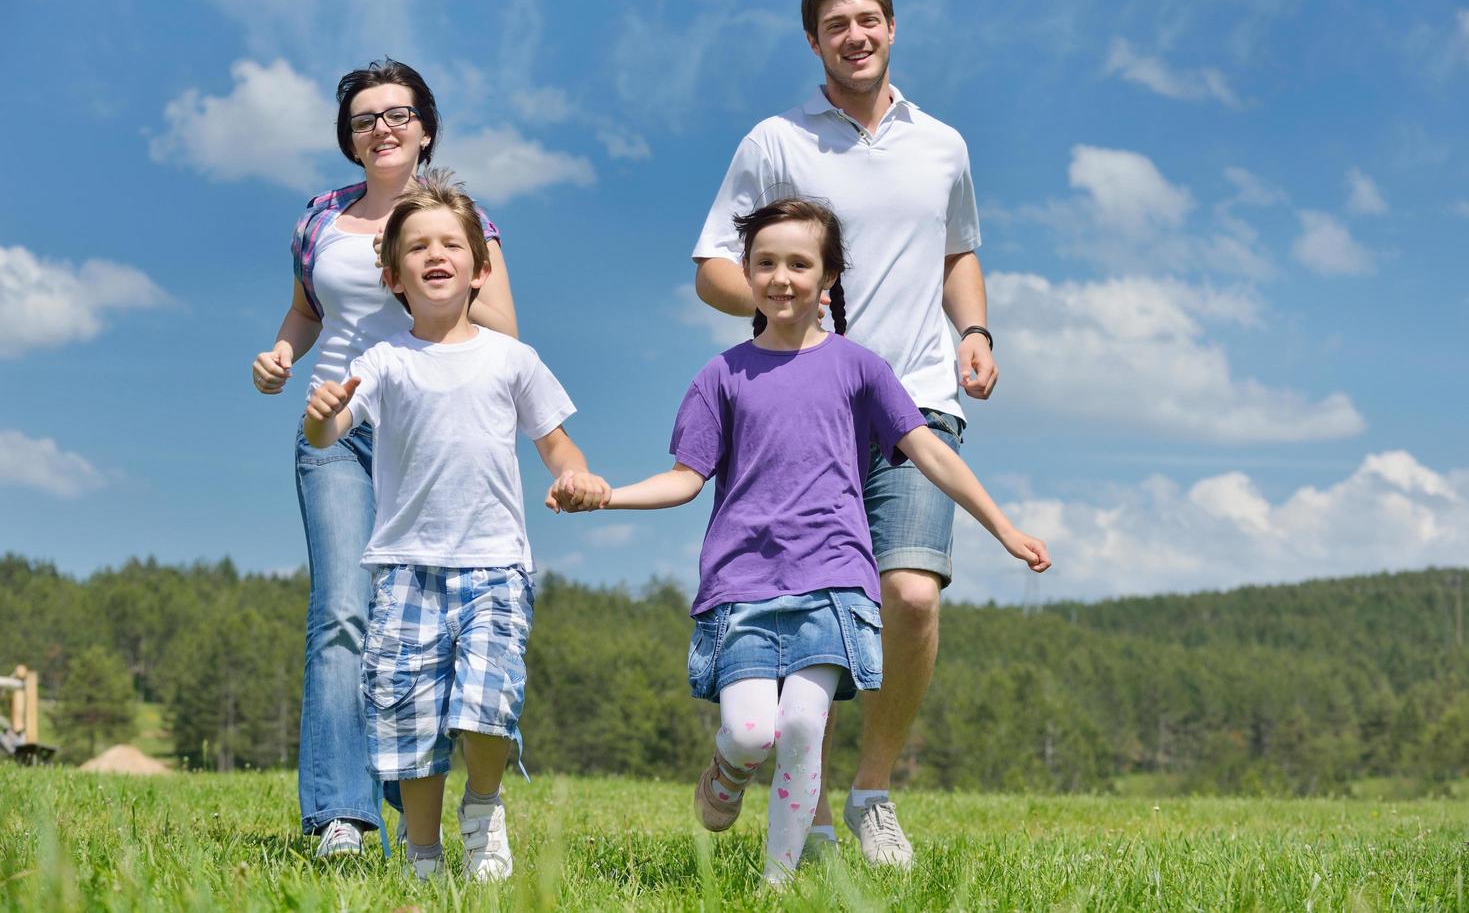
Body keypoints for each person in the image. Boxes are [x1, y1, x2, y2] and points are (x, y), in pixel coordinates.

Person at [566, 199, 1047, 887]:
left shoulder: (861, 368)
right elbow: (683, 479)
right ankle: (728, 768)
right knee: (753, 732)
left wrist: (1002, 528)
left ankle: (776, 886)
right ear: (748, 275)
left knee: (800, 727)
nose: (781, 277)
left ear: (828, 279)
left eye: (799, 263)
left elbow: (928, 454)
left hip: (832, 584)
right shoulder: (720, 375)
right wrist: (607, 493)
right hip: (741, 590)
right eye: (766, 263)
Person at [690, 0, 998, 867]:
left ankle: (872, 787)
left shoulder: (941, 143)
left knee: (907, 596)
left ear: (891, 27)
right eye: (836, 26)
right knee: (800, 611)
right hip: (802, 408)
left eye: (868, 20)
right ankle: (800, 797)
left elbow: (958, 253)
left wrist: (974, 329)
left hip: (916, 401)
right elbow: (714, 262)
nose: (855, 37)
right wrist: (780, 308)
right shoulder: (775, 141)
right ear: (814, 41)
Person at [250, 58, 518, 859]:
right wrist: (278, 355)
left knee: (421, 626)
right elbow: (305, 313)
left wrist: (432, 290)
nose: (382, 128)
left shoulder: (458, 220)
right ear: (350, 139)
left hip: (428, 438)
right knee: (342, 613)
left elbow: (503, 327)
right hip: (335, 430)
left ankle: (423, 814)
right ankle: (341, 814)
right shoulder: (319, 219)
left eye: (397, 114)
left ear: (425, 129)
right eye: (365, 119)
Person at [303, 171, 598, 881]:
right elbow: (336, 426)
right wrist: (321, 420)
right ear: (393, 275)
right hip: (405, 565)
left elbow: (557, 444)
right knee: (408, 720)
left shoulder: (512, 359)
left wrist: (575, 476)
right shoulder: (383, 360)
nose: (435, 255)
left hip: (495, 562)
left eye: (450, 245)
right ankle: (424, 851)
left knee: (484, 706)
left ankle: (485, 806)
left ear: (479, 266)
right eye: (417, 248)